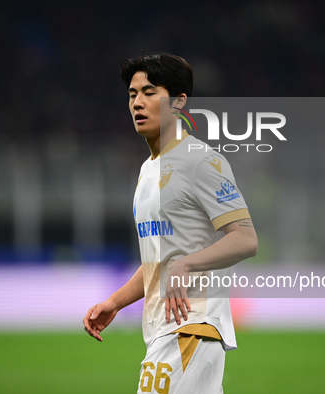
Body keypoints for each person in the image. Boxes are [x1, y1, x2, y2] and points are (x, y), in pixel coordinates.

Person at [83, 52, 258, 393]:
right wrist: (115, 302)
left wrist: (187, 265)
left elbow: (246, 239)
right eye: (133, 95)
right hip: (165, 330)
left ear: (178, 102)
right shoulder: (148, 169)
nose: (138, 102)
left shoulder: (201, 161)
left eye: (150, 92)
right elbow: (160, 261)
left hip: (191, 327)